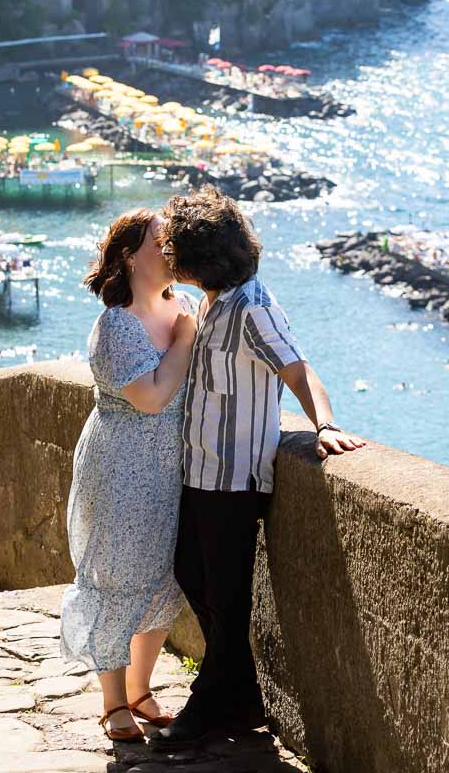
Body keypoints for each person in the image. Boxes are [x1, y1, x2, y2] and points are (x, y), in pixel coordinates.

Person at [153, 186, 365, 748]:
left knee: (226, 597)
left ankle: (209, 707)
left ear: (200, 259)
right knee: (191, 574)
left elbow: (299, 373)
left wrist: (324, 425)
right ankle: (240, 696)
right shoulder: (211, 302)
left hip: (234, 479)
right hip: (197, 470)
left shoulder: (254, 307)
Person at [60, 208, 198, 744]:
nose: (170, 252)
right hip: (120, 466)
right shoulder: (117, 324)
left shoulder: (179, 304)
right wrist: (186, 338)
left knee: (163, 578)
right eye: (160, 243)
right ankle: (113, 702)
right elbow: (152, 397)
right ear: (128, 255)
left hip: (171, 465)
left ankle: (140, 689)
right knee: (116, 577)